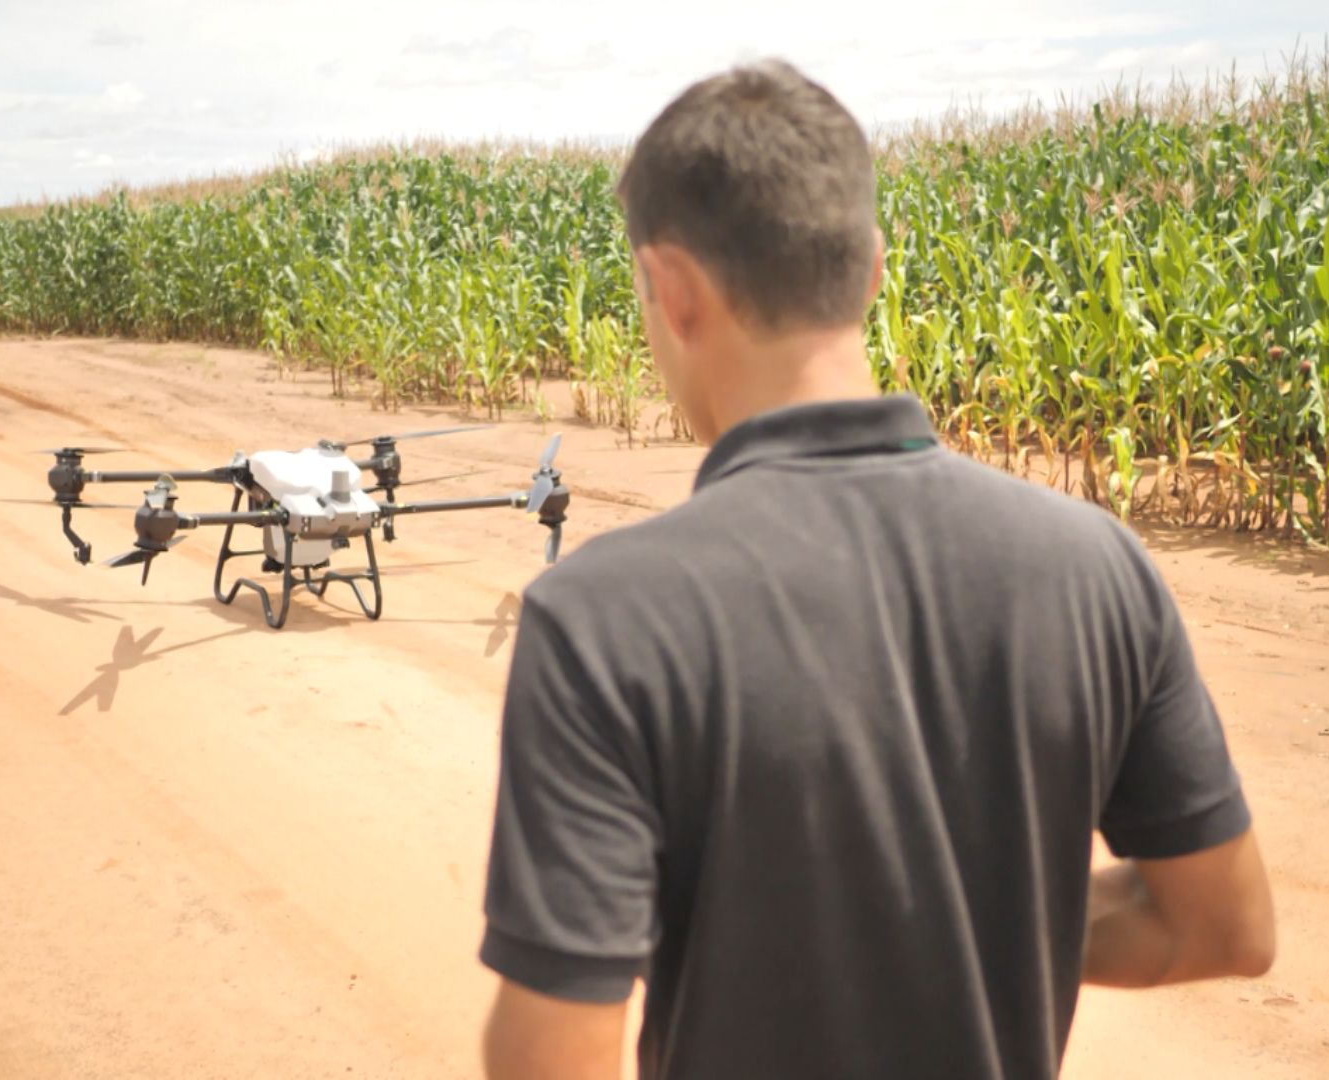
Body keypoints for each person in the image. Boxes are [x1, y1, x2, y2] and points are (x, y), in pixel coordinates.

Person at [476, 58, 1275, 1080]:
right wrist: (970, 922)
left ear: (672, 292)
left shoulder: (605, 620)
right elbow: (1225, 925)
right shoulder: (1095, 567)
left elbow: (555, 1057)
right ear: (870, 272)